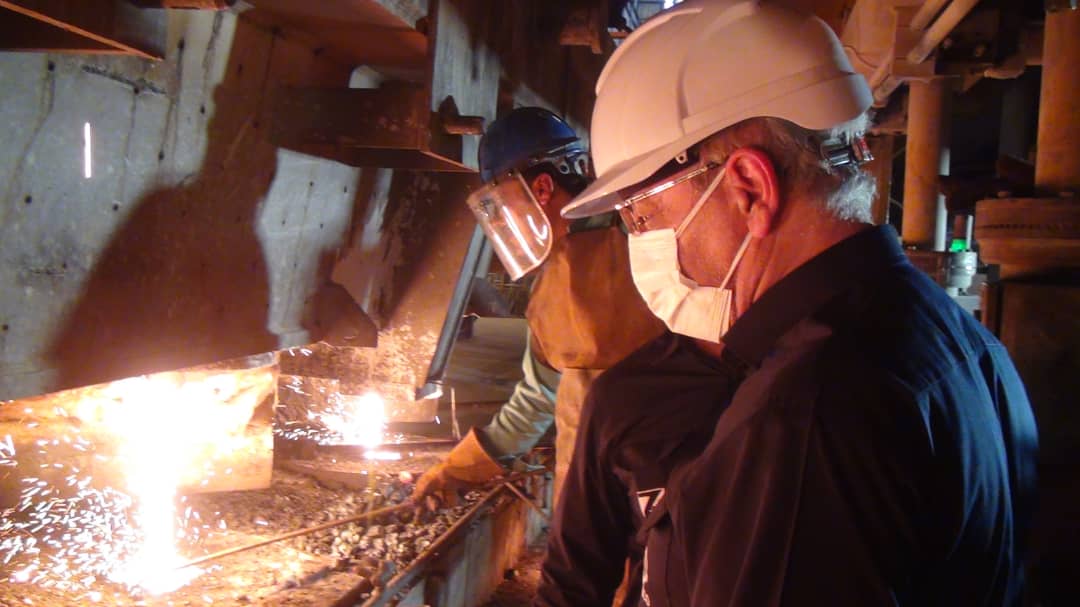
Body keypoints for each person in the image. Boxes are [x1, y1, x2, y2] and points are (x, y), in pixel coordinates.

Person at [537, 1, 1039, 606]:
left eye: (643, 218)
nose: (639, 245)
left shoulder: (806, 415)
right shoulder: (965, 344)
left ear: (749, 188)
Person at [412, 108, 665, 523]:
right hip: (606, 501)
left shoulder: (634, 241)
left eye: (503, 204)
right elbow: (538, 398)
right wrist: (458, 468)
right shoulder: (554, 284)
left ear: (543, 187)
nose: (504, 220)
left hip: (643, 496)